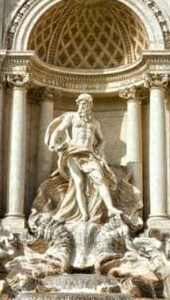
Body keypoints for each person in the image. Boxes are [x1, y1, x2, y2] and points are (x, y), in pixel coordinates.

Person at [44, 93, 121, 223]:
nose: (82, 105)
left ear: (90, 105)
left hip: (88, 154)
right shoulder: (72, 117)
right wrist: (53, 142)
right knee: (78, 183)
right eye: (80, 103)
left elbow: (101, 140)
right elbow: (59, 130)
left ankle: (110, 208)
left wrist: (99, 150)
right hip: (73, 151)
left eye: (85, 103)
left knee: (99, 179)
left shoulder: (95, 123)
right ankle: (84, 214)